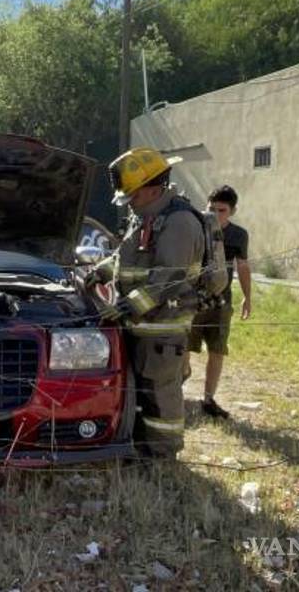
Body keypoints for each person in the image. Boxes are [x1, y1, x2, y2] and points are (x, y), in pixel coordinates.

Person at [87, 147, 203, 459]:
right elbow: (125, 258)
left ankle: (163, 456)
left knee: (161, 398)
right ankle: (139, 448)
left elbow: (169, 279)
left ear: (153, 189)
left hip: (163, 330)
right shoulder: (146, 217)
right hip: (140, 328)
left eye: (133, 196)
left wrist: (127, 306)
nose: (131, 204)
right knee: (139, 394)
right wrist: (98, 272)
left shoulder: (179, 223)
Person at [186, 185, 251, 419]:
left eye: (221, 210)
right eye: (211, 208)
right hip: (192, 299)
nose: (214, 213)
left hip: (221, 301)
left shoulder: (238, 235)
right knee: (184, 347)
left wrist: (247, 297)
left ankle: (208, 399)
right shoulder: (195, 228)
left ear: (232, 211)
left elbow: (243, 266)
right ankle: (178, 387)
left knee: (217, 349)